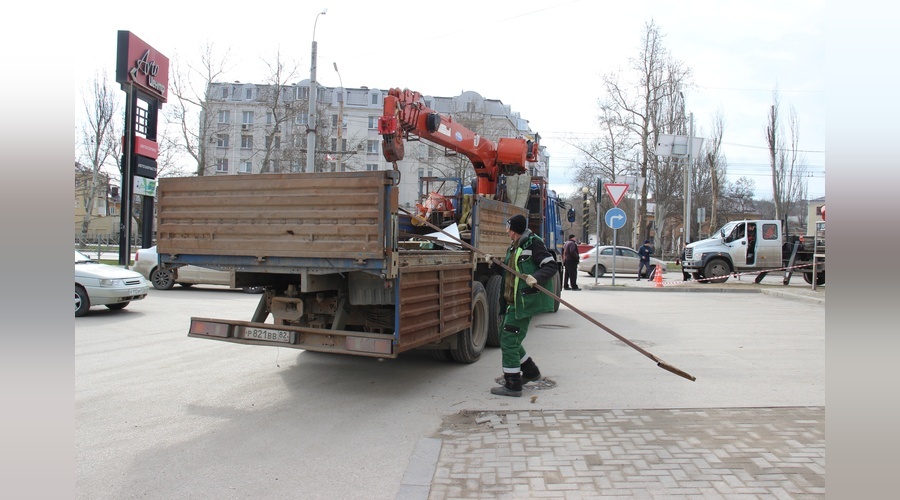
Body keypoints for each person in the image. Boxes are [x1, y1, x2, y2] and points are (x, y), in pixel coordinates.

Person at [489, 214, 559, 397]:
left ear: (513, 230)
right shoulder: (515, 246)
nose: (506, 231)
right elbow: (509, 272)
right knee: (511, 338)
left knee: (508, 342)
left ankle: (513, 385)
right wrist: (494, 265)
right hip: (512, 302)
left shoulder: (533, 244)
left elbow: (551, 266)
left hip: (523, 303)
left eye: (508, 227)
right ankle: (530, 371)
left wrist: (536, 277)